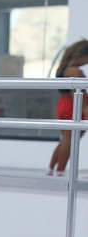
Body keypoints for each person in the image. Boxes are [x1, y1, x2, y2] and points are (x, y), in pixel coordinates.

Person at [47, 39, 88, 176]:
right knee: (70, 140)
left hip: (64, 104)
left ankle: (52, 169)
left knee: (65, 139)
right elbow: (78, 93)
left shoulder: (62, 68)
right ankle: (59, 172)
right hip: (73, 105)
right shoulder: (74, 71)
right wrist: (85, 109)